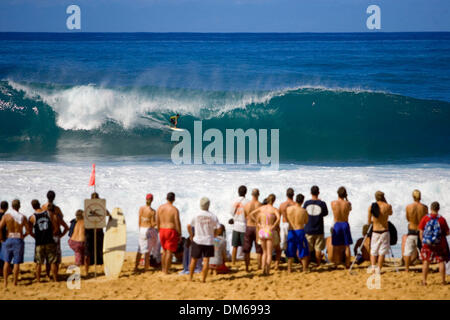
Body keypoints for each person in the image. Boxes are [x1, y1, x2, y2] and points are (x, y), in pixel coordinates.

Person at [188, 197, 220, 282]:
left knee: (194, 259)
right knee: (206, 260)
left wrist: (191, 235)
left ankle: (190, 277)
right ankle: (203, 279)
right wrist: (215, 234)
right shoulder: (212, 216)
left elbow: (189, 225)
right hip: (208, 240)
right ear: (208, 205)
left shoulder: (196, 215)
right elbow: (219, 227)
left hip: (198, 239)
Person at [0, 199, 30, 288]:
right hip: (18, 239)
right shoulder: (23, 217)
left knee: (6, 262)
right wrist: (23, 236)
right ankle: (15, 283)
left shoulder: (6, 216)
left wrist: (1, 238)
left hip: (9, 238)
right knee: (16, 262)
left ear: (12, 206)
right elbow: (28, 230)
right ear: (19, 206)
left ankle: (5, 282)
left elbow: (0, 227)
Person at [419, 201, 449, 286]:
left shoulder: (425, 218)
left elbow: (421, 231)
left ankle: (424, 281)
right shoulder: (442, 219)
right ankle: (443, 281)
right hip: (439, 244)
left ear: (430, 208)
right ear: (438, 209)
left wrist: (423, 241)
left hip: (427, 245)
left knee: (426, 262)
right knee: (441, 262)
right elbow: (447, 232)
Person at [249, 194, 280, 275]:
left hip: (262, 230)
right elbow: (279, 217)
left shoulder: (261, 208)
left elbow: (251, 214)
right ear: (274, 201)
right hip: (269, 230)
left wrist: (258, 223)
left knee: (264, 252)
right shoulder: (273, 209)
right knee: (269, 253)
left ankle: (263, 269)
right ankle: (267, 270)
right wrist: (274, 225)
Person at [29, 200, 59, 282]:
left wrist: (35, 237)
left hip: (39, 242)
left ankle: (38, 280)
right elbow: (56, 228)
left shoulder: (32, 217)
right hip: (49, 241)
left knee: (38, 263)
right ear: (40, 204)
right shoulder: (49, 213)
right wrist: (51, 234)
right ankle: (55, 279)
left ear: (32, 207)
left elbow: (29, 231)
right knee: (52, 261)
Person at [41, 190, 69, 274]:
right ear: (54, 197)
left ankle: (48, 274)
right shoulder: (57, 209)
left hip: (46, 235)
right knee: (56, 257)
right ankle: (55, 274)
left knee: (47, 256)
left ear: (47, 197)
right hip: (56, 234)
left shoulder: (43, 207)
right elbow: (62, 220)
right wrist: (61, 235)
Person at [368, 191, 393, 273]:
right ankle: (379, 269)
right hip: (384, 231)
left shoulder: (371, 207)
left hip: (375, 231)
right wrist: (385, 201)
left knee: (373, 251)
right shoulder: (387, 206)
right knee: (382, 252)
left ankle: (372, 267)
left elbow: (368, 221)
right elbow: (391, 213)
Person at [303, 185, 328, 267]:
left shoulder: (306, 203)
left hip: (308, 229)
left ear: (310, 193)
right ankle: (318, 264)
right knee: (318, 249)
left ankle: (307, 265)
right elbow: (325, 213)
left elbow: (303, 213)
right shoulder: (322, 203)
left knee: (308, 249)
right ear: (318, 193)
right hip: (319, 229)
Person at [157, 192, 181, 274]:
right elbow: (177, 222)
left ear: (166, 198)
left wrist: (158, 229)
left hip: (162, 229)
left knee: (164, 251)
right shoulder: (174, 209)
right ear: (174, 199)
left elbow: (157, 219)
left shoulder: (160, 208)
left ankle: (163, 269)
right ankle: (166, 271)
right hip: (170, 230)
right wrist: (179, 233)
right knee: (169, 251)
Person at [404, 189, 428, 272]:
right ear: (420, 197)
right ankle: (425, 268)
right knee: (423, 251)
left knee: (408, 251)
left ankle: (407, 269)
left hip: (411, 230)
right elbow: (426, 220)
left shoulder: (408, 207)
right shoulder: (424, 207)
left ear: (413, 197)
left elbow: (407, 219)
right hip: (421, 232)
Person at [135, 194, 159, 272]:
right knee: (147, 251)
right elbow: (152, 224)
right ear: (152, 200)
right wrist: (158, 223)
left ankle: (136, 267)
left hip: (141, 229)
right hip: (148, 230)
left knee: (139, 250)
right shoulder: (152, 211)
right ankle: (146, 268)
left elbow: (139, 220)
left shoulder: (141, 208)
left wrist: (140, 229)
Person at [286, 193, 309, 273]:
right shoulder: (303, 211)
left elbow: (286, 219)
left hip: (291, 231)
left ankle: (289, 269)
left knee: (290, 251)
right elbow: (306, 221)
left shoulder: (288, 209)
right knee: (302, 250)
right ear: (302, 201)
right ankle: (304, 269)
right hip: (299, 231)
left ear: (295, 200)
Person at [330, 186, 353, 268]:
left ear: (338, 193)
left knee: (336, 246)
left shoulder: (333, 203)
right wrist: (347, 199)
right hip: (345, 224)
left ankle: (336, 263)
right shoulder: (348, 204)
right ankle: (347, 264)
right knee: (347, 245)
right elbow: (350, 209)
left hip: (337, 224)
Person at [243, 188, 262, 272]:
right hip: (257, 227)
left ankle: (247, 267)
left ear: (251, 194)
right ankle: (259, 266)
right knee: (259, 248)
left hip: (249, 226)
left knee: (247, 249)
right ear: (258, 194)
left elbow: (245, 217)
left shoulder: (246, 205)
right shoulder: (260, 205)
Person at [229, 185, 249, 265]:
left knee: (235, 246)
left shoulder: (234, 201)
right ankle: (246, 263)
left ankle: (233, 262)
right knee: (245, 247)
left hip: (236, 226)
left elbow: (231, 212)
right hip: (244, 226)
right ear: (246, 192)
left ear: (238, 192)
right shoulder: (248, 202)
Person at [85, 192, 105, 268]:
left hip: (96, 230)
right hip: (92, 230)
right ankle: (96, 261)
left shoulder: (90, 206)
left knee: (97, 246)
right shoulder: (90, 206)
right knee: (95, 246)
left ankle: (97, 261)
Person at [68, 210, 88, 276]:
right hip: (80, 243)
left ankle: (77, 271)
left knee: (78, 254)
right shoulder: (86, 222)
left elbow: (70, 234)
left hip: (72, 242)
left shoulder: (74, 222)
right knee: (83, 256)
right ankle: (82, 272)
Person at [279, 188, 295, 253]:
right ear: (293, 195)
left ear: (286, 195)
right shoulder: (295, 205)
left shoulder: (282, 205)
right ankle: (291, 256)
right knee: (291, 241)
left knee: (283, 242)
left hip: (284, 224)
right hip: (293, 224)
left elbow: (278, 215)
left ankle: (284, 255)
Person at [0, 201, 8, 275]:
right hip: (1, 237)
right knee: (2, 255)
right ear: (7, 208)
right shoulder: (3, 216)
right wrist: (2, 238)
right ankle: (1, 271)